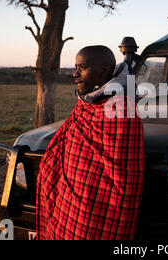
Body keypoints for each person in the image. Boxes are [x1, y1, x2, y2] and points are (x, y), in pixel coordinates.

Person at [36, 46, 145, 240]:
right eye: (76, 67)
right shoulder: (88, 102)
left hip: (98, 208)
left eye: (82, 68)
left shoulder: (122, 109)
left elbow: (121, 176)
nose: (75, 74)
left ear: (103, 70)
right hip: (69, 198)